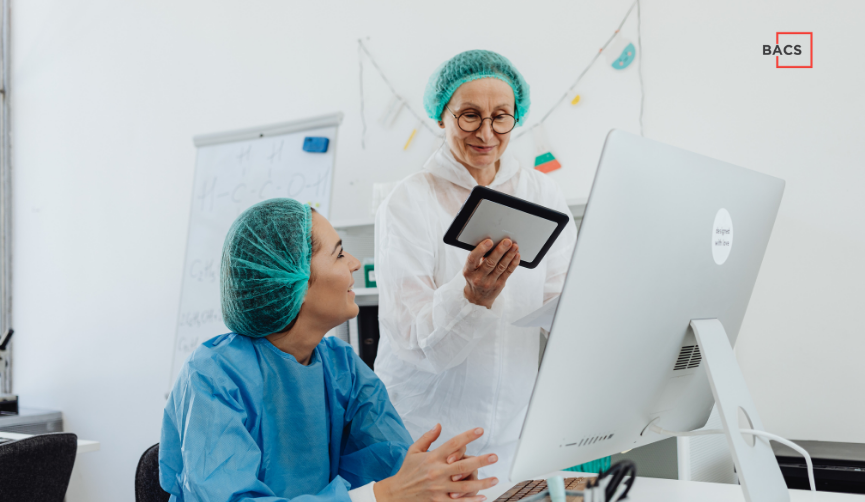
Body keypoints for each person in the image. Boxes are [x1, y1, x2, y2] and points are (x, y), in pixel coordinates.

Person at [160, 198, 500, 502]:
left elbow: (391, 464)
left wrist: (440, 480)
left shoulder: (341, 366)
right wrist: (384, 495)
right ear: (292, 280)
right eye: (338, 253)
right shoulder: (211, 378)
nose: (353, 263)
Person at [374, 50, 600, 479]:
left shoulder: (542, 195)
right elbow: (417, 341)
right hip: (425, 433)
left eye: (501, 116)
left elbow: (561, 302)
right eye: (470, 116)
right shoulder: (408, 202)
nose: (487, 132)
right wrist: (471, 297)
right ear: (442, 116)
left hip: (513, 436)